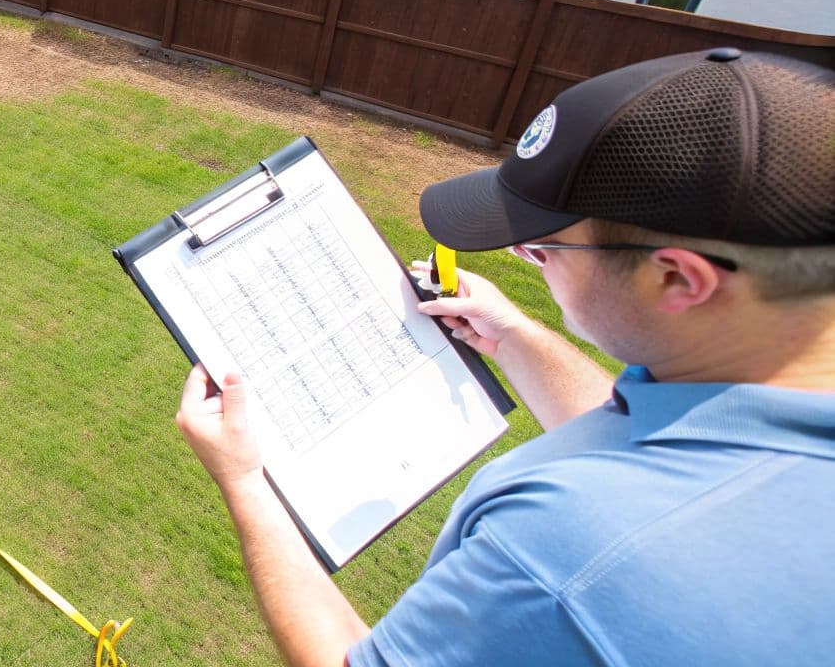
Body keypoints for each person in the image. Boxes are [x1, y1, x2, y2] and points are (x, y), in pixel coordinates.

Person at [175, 47, 835, 667]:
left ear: (677, 279)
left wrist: (246, 481)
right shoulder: (755, 388)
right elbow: (664, 437)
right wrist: (513, 334)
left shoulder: (570, 553)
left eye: (543, 249)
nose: (527, 260)